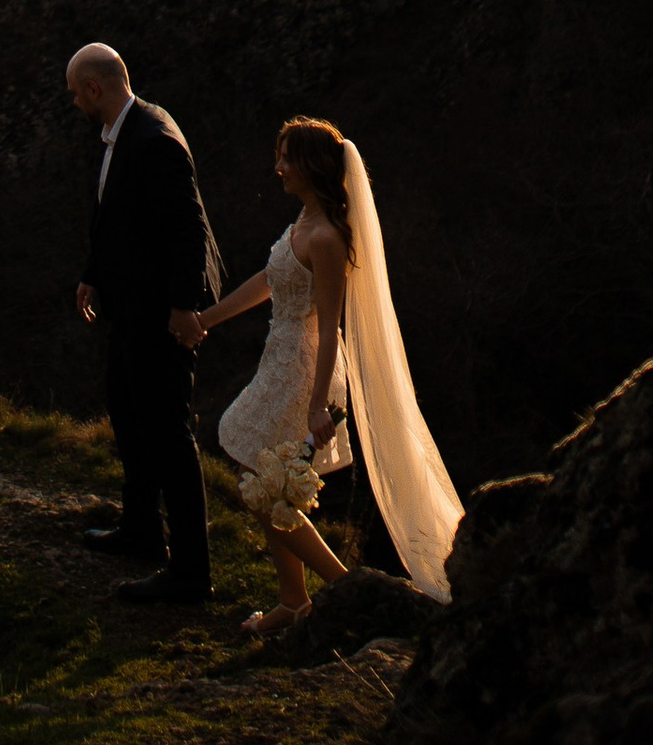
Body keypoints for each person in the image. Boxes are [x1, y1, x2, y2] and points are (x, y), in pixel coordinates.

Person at [184, 114, 463, 641]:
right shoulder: (302, 225)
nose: (278, 167)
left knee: (265, 480)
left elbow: (331, 323)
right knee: (264, 479)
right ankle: (296, 600)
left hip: (306, 369)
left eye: (287, 157)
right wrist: (207, 319)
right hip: (279, 360)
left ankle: (337, 590)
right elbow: (269, 281)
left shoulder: (329, 238)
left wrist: (318, 405)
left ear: (312, 166)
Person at [67, 41, 224, 606]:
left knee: (168, 431)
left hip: (160, 312)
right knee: (128, 411)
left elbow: (188, 227)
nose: (74, 106)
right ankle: (140, 531)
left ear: (94, 89)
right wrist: (93, 275)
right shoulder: (122, 132)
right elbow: (115, 217)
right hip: (130, 304)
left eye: (75, 94)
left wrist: (184, 308)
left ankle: (190, 572)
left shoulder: (152, 139)